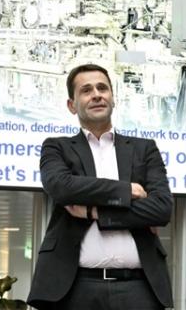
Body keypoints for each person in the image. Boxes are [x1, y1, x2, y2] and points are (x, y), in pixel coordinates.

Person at [27, 64, 173, 310]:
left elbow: (161, 209)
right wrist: (125, 191)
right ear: (72, 105)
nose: (96, 94)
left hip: (139, 288)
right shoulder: (57, 147)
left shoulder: (144, 148)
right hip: (75, 288)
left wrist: (94, 212)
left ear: (113, 99)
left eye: (102, 88)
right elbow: (61, 187)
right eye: (86, 90)